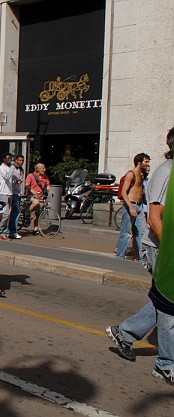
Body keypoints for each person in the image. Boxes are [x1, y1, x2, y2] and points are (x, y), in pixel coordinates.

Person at [106, 127, 173, 372]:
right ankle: (167, 363)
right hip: (159, 246)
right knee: (169, 301)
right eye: (145, 161)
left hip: (162, 243)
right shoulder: (166, 172)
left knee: (164, 300)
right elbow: (156, 218)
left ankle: (123, 333)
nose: (147, 164)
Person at [116, 153, 150, 259]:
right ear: (139, 162)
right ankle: (120, 256)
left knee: (141, 232)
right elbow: (124, 192)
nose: (147, 164)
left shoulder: (141, 174)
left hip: (139, 206)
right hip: (131, 205)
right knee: (126, 232)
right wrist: (131, 207)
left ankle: (142, 258)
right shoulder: (131, 174)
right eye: (146, 162)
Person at [25, 163, 53, 235]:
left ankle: (35, 229)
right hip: (31, 196)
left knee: (38, 215)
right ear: (38, 169)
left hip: (41, 197)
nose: (45, 169)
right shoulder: (31, 176)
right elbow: (27, 185)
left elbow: (48, 185)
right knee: (36, 202)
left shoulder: (45, 177)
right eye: (43, 168)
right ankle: (27, 212)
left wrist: (50, 191)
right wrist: (31, 190)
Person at [0, 153, 14, 240]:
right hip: (3, 192)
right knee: (5, 214)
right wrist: (13, 168)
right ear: (4, 159)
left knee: (8, 214)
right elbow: (7, 177)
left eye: (11, 159)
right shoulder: (2, 168)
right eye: (8, 159)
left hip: (9, 192)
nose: (10, 160)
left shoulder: (9, 168)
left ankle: (4, 232)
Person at [7, 154, 25, 239]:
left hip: (18, 193)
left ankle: (11, 230)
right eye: (20, 160)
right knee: (16, 212)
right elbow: (8, 177)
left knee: (15, 212)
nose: (21, 162)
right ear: (16, 160)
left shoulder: (21, 169)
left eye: (22, 160)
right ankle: (12, 231)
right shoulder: (12, 168)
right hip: (13, 192)